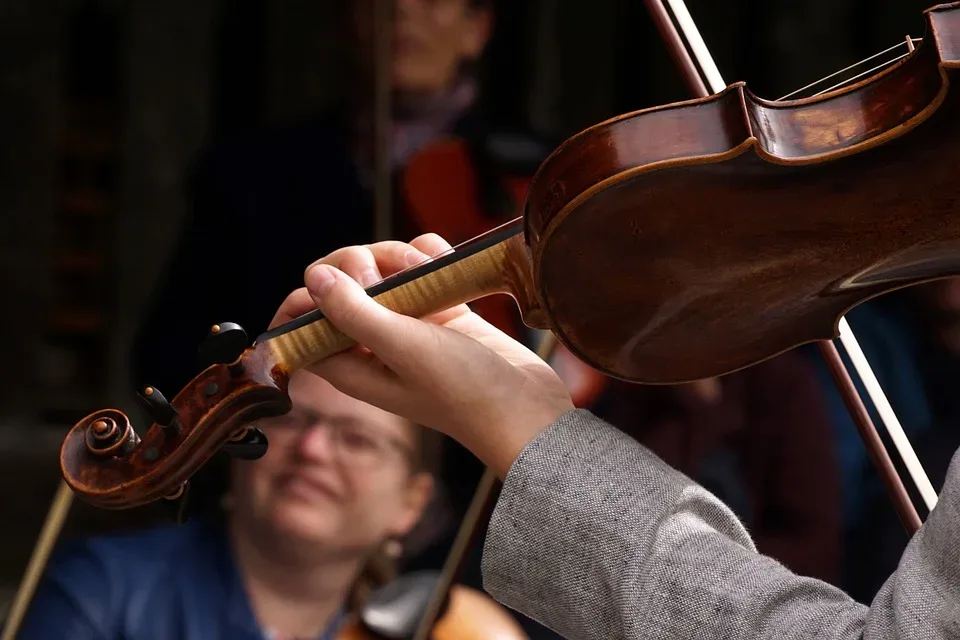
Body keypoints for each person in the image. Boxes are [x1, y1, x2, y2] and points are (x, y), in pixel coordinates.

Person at [269, 233, 959, 639]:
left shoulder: (780, 392)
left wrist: (533, 431)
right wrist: (530, 420)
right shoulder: (617, 373)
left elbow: (813, 549)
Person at [16, 370, 519, 639]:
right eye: (293, 420)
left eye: (358, 439)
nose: (313, 449)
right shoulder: (102, 591)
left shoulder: (453, 632)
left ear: (412, 503)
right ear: (235, 444)